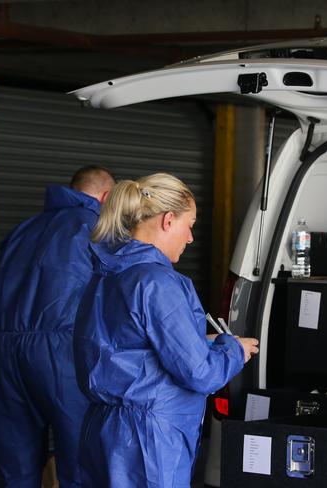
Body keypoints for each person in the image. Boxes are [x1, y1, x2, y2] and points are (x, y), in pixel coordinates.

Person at [73, 173, 259, 488]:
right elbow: (200, 373)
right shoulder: (157, 283)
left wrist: (201, 339)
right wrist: (233, 350)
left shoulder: (105, 276)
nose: (190, 239)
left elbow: (127, 345)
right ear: (168, 221)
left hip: (102, 429)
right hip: (148, 438)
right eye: (190, 226)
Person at [0, 165, 115, 488]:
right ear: (107, 196)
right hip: (61, 352)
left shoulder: (23, 229)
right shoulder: (97, 228)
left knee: (16, 462)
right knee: (78, 458)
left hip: (5, 351)